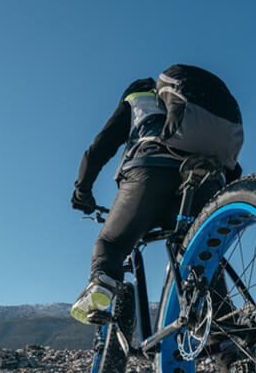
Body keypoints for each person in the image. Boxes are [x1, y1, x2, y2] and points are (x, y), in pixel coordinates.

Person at [70, 66, 243, 324]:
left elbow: (97, 150)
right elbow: (233, 169)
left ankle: (102, 284)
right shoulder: (193, 111)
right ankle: (229, 346)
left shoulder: (136, 100)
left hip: (149, 174)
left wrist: (82, 191)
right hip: (205, 179)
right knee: (203, 266)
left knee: (111, 244)